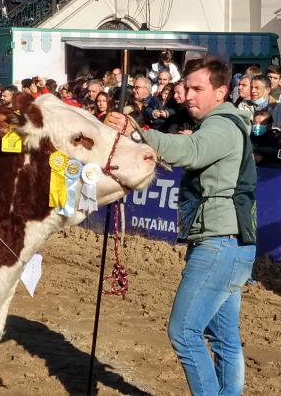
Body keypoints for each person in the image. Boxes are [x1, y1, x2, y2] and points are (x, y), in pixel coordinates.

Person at [106, 56, 257, 396]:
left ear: (221, 92)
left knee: (184, 332)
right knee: (225, 340)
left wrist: (137, 132)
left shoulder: (221, 125)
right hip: (233, 246)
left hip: (218, 245)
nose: (189, 95)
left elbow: (189, 150)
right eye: (187, 88)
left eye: (198, 88)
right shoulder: (226, 123)